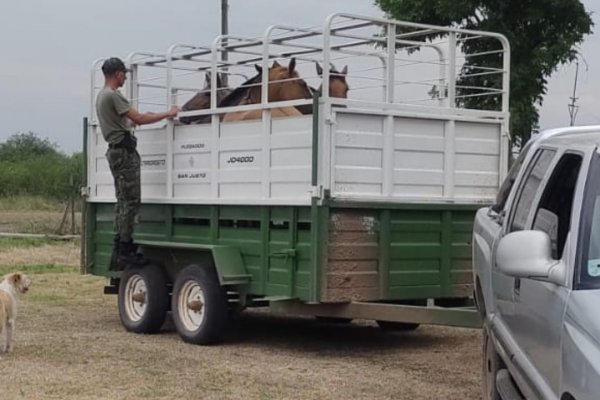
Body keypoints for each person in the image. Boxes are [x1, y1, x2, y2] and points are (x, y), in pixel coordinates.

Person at [96, 57, 179, 268]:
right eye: (123, 73)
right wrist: (166, 114)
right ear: (117, 74)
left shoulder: (102, 96)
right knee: (130, 201)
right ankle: (125, 248)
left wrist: (140, 119)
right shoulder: (114, 96)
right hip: (123, 152)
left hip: (115, 151)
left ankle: (119, 247)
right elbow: (139, 118)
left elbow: (128, 121)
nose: (125, 77)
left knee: (122, 200)